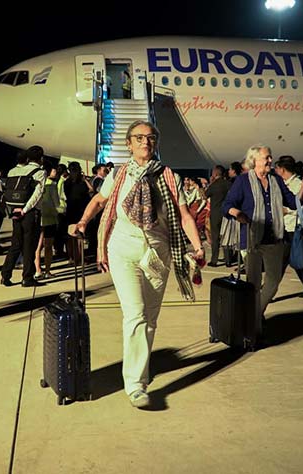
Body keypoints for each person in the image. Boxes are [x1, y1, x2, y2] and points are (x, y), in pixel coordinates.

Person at [73, 120, 204, 408]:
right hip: (123, 249)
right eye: (139, 137)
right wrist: (83, 221)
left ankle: (140, 368)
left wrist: (197, 246)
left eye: (151, 137)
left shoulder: (168, 176)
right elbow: (100, 201)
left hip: (158, 252)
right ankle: (135, 385)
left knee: (150, 319)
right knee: (135, 314)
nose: (146, 141)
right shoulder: (119, 174)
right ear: (129, 144)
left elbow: (184, 215)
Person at [223, 145, 303, 323]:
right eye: (267, 157)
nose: (270, 160)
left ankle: (253, 315)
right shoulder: (243, 181)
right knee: (253, 284)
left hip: (274, 239)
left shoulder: (276, 179)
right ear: (254, 160)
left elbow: (292, 202)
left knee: (273, 282)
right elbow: (227, 205)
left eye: (270, 157)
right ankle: (254, 323)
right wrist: (237, 213)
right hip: (251, 238)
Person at [273, 156, 303, 297]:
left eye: (276, 168)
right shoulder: (286, 183)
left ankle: (268, 290)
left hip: (295, 229)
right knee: (294, 260)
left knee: (282, 261)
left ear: (282, 169)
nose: (275, 171)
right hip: (287, 228)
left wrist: (287, 210)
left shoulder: (298, 184)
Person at [0, 146, 47, 287]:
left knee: (16, 244)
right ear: (41, 158)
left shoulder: (13, 171)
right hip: (30, 213)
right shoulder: (39, 172)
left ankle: (5, 275)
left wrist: (15, 209)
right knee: (29, 246)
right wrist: (25, 210)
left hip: (15, 210)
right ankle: (27, 277)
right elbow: (37, 194)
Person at [205, 165, 231, 266]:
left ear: (215, 173)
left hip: (215, 213)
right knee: (226, 237)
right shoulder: (228, 184)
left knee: (215, 237)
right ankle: (228, 260)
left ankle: (214, 260)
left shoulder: (214, 185)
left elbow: (205, 195)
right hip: (226, 213)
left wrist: (208, 184)